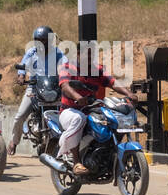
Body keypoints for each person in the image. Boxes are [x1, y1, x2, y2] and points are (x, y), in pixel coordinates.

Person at [58, 42, 136, 175]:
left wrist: (129, 94)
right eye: (86, 54)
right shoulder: (67, 67)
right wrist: (77, 97)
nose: (89, 58)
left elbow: (112, 82)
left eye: (91, 55)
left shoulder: (97, 69)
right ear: (78, 54)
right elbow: (65, 86)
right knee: (78, 118)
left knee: (111, 119)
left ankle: (106, 154)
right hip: (69, 110)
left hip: (91, 109)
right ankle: (76, 161)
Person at [8, 26, 68, 156]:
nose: (40, 43)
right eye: (37, 40)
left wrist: (68, 74)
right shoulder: (31, 52)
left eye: (43, 40)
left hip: (54, 87)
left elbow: (66, 65)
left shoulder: (58, 53)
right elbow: (23, 65)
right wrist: (21, 76)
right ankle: (14, 141)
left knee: (68, 113)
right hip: (34, 87)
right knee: (20, 116)